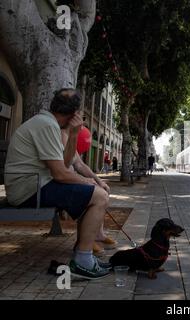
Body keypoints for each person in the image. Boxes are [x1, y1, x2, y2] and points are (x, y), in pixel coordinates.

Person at [5, 89, 110, 279]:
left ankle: (83, 254)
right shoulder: (47, 126)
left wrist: (74, 134)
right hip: (29, 189)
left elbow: (66, 162)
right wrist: (88, 182)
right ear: (75, 113)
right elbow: (61, 174)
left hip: (35, 184)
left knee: (92, 193)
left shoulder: (49, 123)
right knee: (99, 196)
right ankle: (83, 261)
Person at [61, 128, 117, 256]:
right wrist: (85, 181)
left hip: (68, 179)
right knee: (93, 194)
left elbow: (80, 165)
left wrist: (98, 180)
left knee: (100, 189)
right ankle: (85, 241)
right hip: (62, 181)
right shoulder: (61, 133)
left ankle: (98, 234)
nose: (81, 122)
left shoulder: (68, 135)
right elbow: (62, 170)